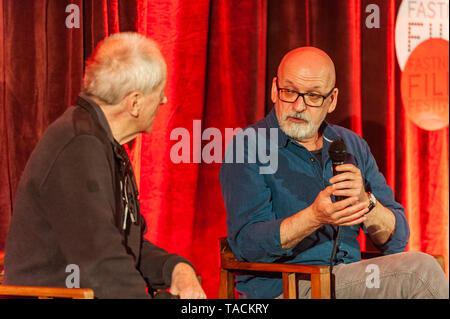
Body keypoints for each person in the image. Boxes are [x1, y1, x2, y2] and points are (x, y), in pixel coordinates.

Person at [219, 47, 449, 299]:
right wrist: (314, 217)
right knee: (419, 272)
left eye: (314, 96)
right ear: (275, 90)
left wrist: (367, 204)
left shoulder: (351, 145)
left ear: (332, 100)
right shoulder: (249, 146)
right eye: (290, 91)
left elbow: (396, 239)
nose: (298, 105)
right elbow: (247, 245)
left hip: (351, 280)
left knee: (420, 270)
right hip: (289, 288)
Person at [4, 32, 206, 299]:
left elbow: (124, 246)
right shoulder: (78, 146)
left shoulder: (103, 141)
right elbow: (101, 263)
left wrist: (174, 268)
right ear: (134, 102)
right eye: (159, 92)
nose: (164, 101)